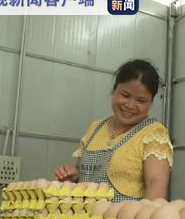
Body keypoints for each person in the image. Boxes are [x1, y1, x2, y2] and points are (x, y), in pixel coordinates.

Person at [54, 59, 173, 202]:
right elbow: (81, 173)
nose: (130, 105)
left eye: (140, 101)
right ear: (114, 90)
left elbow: (156, 185)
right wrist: (72, 177)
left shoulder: (154, 134)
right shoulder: (96, 128)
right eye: (125, 95)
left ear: (150, 102)